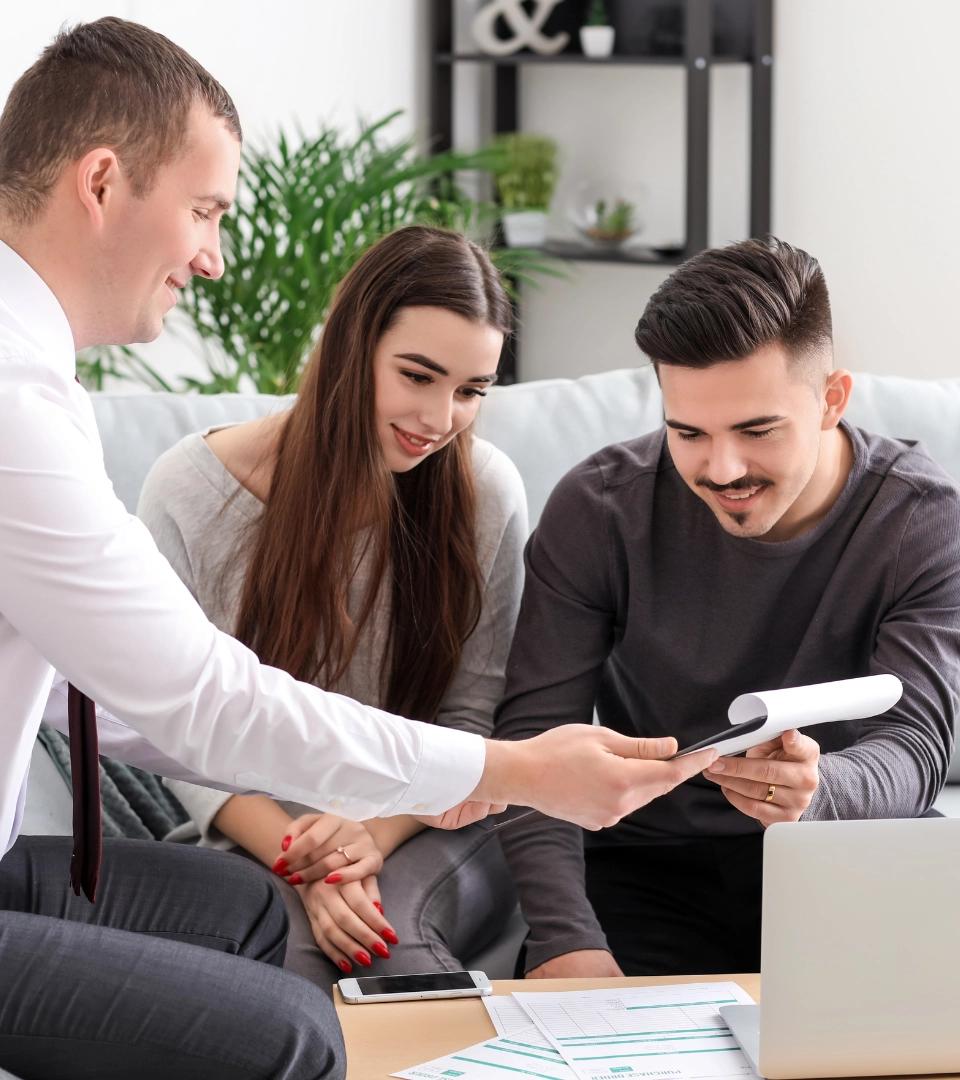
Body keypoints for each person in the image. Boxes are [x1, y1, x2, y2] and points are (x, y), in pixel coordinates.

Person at [0, 17, 716, 1079]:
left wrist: (387, 811)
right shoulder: (13, 402)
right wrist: (513, 770)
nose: (214, 253)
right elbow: (199, 696)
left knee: (249, 912)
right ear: (102, 182)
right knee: (295, 1036)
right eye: (204, 210)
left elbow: (111, 704)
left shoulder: (40, 381)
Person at [495, 236, 960, 981]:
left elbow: (916, 747)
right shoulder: (600, 508)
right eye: (689, 433)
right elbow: (531, 743)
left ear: (832, 399)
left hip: (841, 851)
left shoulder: (918, 518)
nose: (723, 469)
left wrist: (819, 788)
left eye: (756, 430)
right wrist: (566, 941)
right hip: (645, 865)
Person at [138, 225, 527, 986]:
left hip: (432, 823)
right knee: (297, 956)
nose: (440, 418)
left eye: (470, 391)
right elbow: (178, 729)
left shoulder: (485, 491)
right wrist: (308, 859)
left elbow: (473, 718)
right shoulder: (188, 490)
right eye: (417, 375)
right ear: (353, 348)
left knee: (388, 945)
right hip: (260, 829)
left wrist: (369, 837)